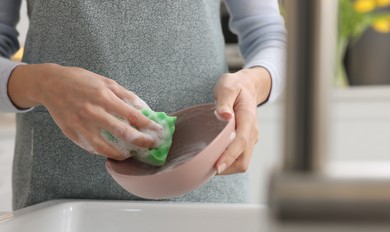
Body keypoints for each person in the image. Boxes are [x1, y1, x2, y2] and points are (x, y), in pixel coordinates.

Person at [0, 0, 286, 210]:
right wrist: (44, 83)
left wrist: (252, 85)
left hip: (205, 185)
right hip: (61, 199)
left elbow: (270, 37)